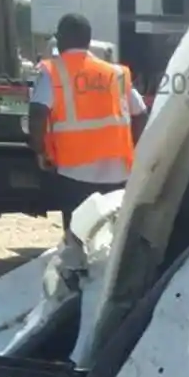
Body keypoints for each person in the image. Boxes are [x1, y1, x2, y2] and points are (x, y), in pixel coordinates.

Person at [27, 13, 148, 230]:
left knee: (78, 234)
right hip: (117, 171)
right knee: (111, 234)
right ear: (88, 40)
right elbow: (140, 113)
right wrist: (134, 148)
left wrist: (41, 150)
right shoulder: (115, 73)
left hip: (75, 171)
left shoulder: (54, 71)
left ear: (62, 38)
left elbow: (37, 113)